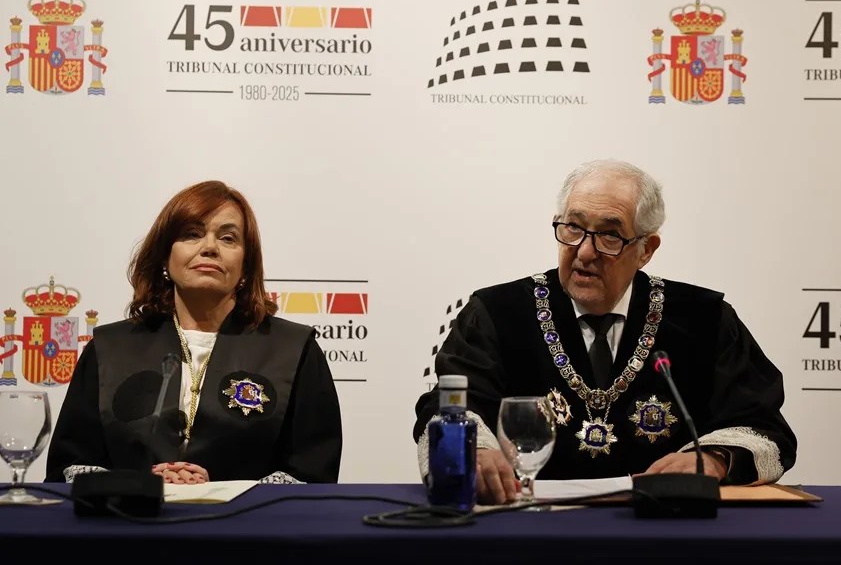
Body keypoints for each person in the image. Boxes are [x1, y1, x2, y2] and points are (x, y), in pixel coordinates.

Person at [413, 159, 797, 504]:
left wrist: (714, 460)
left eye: (610, 236)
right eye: (573, 228)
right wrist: (471, 451)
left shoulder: (704, 319)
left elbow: (762, 424)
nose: (584, 251)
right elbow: (447, 406)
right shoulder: (497, 313)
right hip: (525, 530)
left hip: (666, 535)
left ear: (647, 249)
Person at [46, 181, 342, 485]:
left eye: (228, 238)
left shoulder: (293, 350)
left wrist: (221, 490)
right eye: (192, 234)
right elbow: (70, 468)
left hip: (248, 528)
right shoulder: (109, 349)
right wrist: (141, 486)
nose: (210, 247)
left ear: (246, 263)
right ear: (165, 256)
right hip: (130, 526)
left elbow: (313, 473)